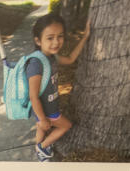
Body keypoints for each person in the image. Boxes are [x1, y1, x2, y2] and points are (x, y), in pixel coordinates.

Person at [27, 14, 90, 161]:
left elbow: (70, 59)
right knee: (66, 126)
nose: (56, 42)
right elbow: (33, 96)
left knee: (41, 128)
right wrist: (43, 118)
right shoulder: (36, 64)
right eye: (50, 38)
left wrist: (85, 37)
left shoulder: (51, 56)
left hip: (45, 108)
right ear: (38, 40)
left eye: (60, 36)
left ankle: (39, 152)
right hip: (46, 110)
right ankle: (42, 148)